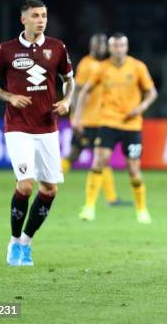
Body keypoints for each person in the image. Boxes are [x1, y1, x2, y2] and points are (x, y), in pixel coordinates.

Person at [0, 0, 75, 266]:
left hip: (48, 128)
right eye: (35, 15)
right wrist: (9, 97)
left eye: (44, 15)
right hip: (18, 127)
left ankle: (26, 242)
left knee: (50, 190)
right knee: (25, 185)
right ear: (23, 19)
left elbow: (69, 80)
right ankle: (13, 243)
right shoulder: (6, 50)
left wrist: (67, 101)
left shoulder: (57, 48)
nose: (41, 20)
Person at [73, 33, 158, 223]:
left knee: (133, 169)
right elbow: (84, 91)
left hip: (132, 125)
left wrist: (141, 108)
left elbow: (151, 92)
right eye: (115, 46)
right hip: (108, 122)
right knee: (99, 161)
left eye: (122, 46)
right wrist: (77, 117)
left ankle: (142, 209)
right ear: (110, 49)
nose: (118, 49)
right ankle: (88, 207)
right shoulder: (102, 69)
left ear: (126, 48)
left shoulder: (137, 67)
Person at [63, 33, 130, 207]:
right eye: (97, 43)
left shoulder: (104, 66)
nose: (100, 46)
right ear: (91, 46)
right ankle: (112, 199)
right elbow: (77, 91)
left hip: (98, 118)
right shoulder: (87, 64)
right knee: (99, 159)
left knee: (74, 154)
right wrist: (75, 116)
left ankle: (48, 187)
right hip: (89, 120)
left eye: (102, 43)